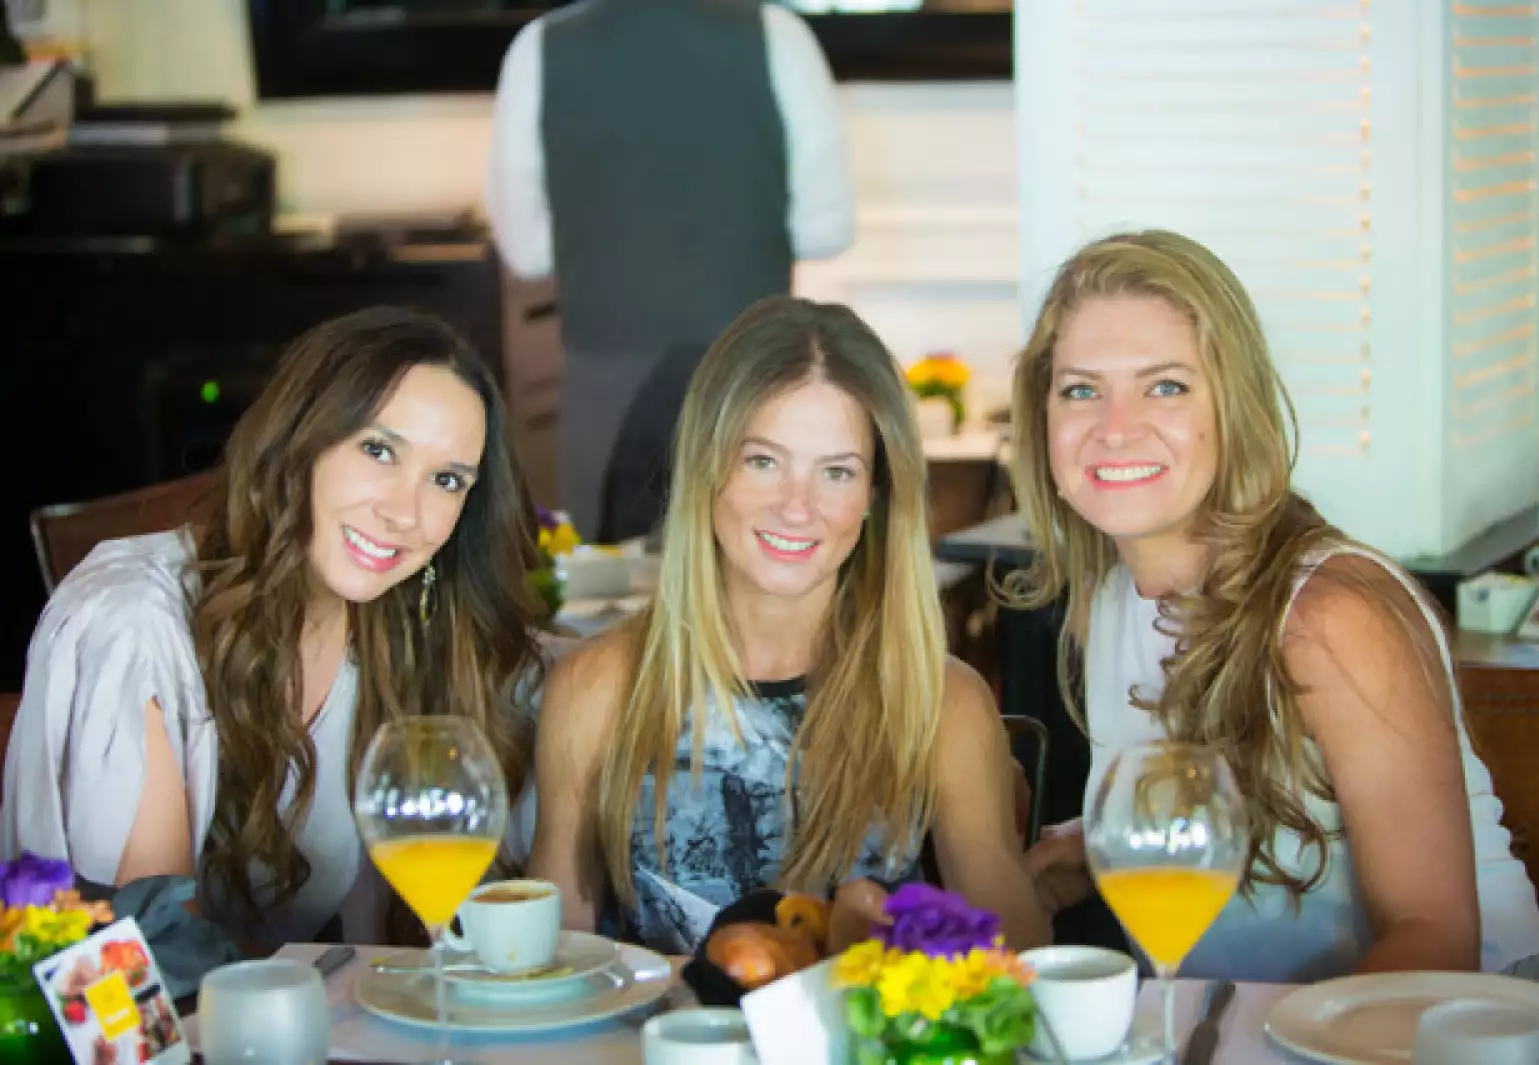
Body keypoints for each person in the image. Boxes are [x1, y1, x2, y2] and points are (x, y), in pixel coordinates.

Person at [1010, 230, 1539, 987]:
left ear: (1235, 405)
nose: (1115, 426)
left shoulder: (1333, 614)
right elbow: (1239, 806)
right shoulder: (1107, 598)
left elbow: (1434, 934)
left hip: (1469, 1033)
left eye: (1166, 385)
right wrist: (1088, 853)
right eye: (1081, 388)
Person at [1, 307, 548, 947]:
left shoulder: (397, 622)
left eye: (446, 480)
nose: (406, 512)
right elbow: (157, 953)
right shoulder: (133, 625)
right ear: (300, 440)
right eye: (378, 450)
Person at [530, 295, 1048, 955]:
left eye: (836, 471)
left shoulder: (941, 703)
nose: (797, 507)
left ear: (874, 499)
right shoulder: (594, 688)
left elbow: (1013, 967)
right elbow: (549, 968)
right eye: (763, 461)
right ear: (707, 467)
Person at [485, 0, 854, 542]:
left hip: (606, 386)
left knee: (614, 597)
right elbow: (826, 229)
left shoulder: (538, 47)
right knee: (750, 560)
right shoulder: (779, 35)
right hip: (745, 370)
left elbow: (528, 250)